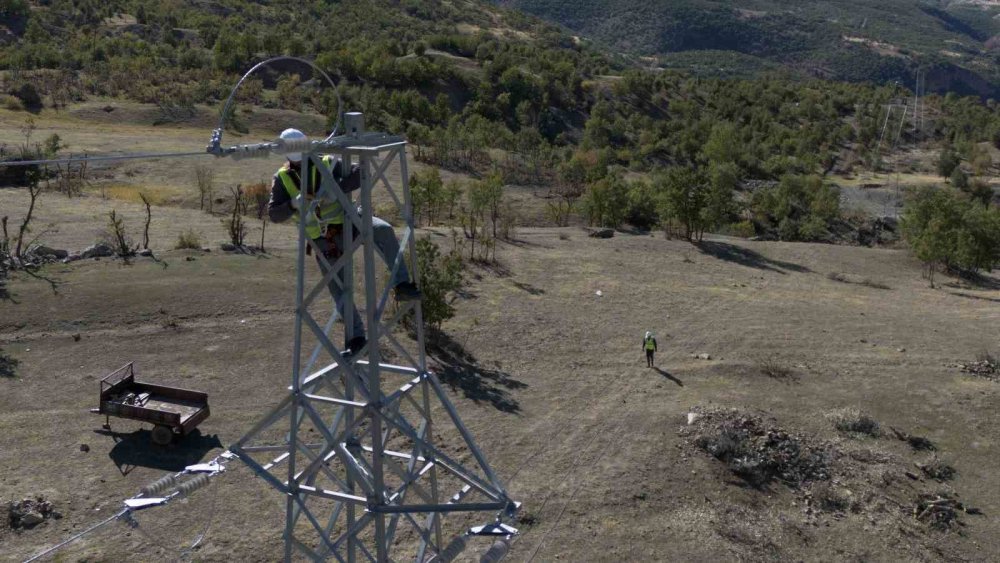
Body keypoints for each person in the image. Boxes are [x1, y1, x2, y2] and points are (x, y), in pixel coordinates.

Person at [267, 128, 420, 354]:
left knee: (383, 230)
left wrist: (334, 189)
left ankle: (402, 284)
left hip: (349, 222)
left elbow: (358, 174)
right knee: (340, 290)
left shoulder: (328, 162)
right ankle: (356, 338)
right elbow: (274, 214)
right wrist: (292, 204)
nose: (302, 164)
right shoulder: (282, 179)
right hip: (322, 239)